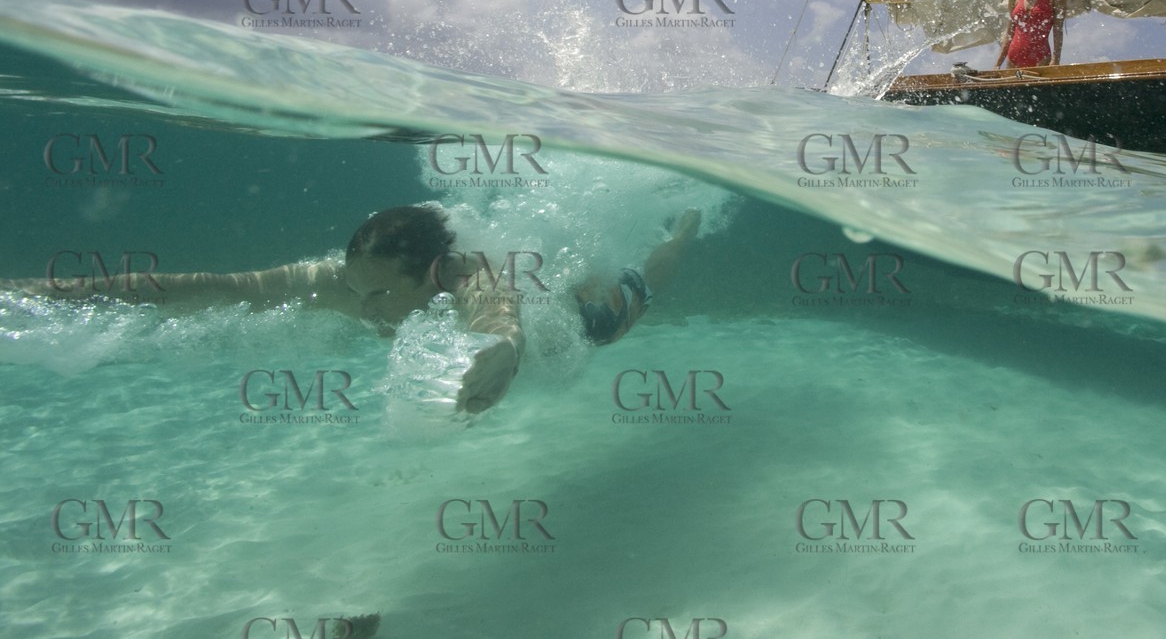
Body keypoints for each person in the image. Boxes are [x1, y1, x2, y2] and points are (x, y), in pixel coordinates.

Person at [6, 204, 701, 414]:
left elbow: (499, 318)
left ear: (430, 273)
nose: (362, 305)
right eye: (354, 286)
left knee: (634, 293)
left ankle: (677, 232)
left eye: (380, 293)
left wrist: (503, 356)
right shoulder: (342, 281)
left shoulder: (474, 274)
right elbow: (215, 285)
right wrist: (71, 290)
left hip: (570, 329)